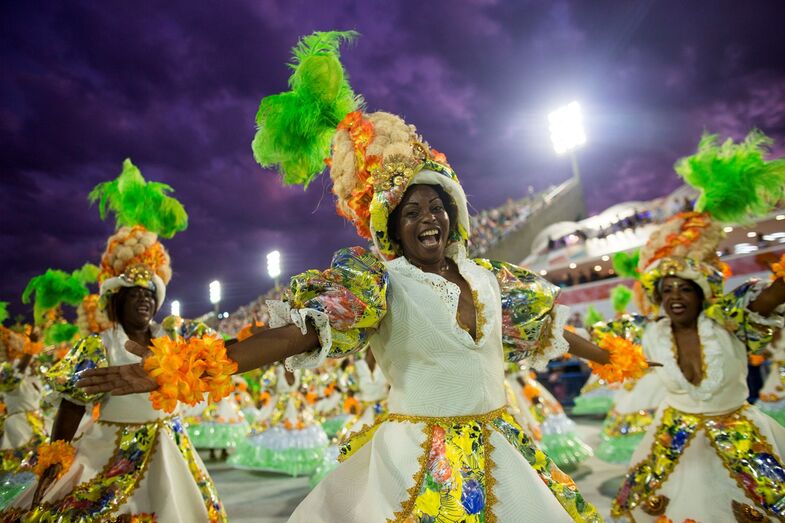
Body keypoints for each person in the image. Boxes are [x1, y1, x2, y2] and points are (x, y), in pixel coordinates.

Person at [77, 31, 648, 522]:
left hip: (503, 452)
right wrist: (187, 366)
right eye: (410, 211)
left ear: (455, 211)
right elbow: (292, 337)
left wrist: (616, 358)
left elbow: (550, 328)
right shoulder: (378, 283)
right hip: (414, 467)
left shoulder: (496, 278)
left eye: (436, 205)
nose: (428, 218)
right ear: (389, 230)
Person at [6, 159, 226, 522]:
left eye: (148, 294)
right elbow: (72, 404)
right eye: (133, 293)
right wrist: (55, 457)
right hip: (110, 449)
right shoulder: (97, 345)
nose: (142, 299)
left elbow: (219, 355)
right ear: (116, 302)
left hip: (172, 446)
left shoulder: (175, 333)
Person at [612, 132, 785, 522]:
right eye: (666, 289)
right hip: (672, 443)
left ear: (702, 293)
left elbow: (773, 295)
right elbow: (597, 343)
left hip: (742, 439)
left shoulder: (730, 319)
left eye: (684, 288)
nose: (674, 296)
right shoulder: (650, 332)